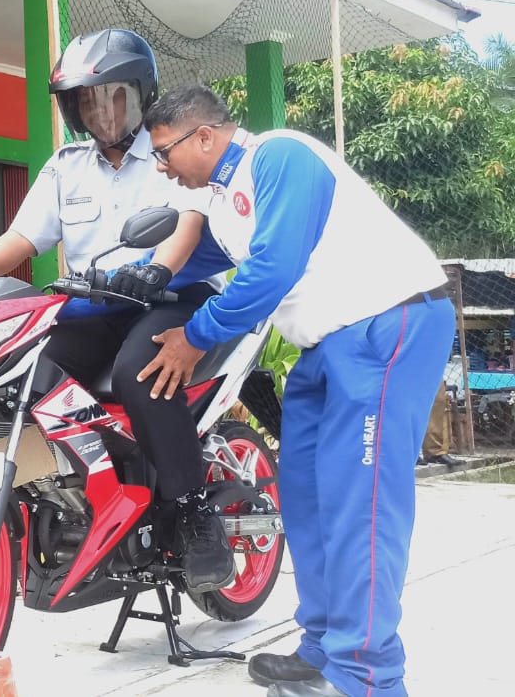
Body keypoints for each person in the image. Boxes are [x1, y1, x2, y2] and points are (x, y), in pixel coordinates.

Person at [139, 85, 455, 697]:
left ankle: (368, 677)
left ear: (203, 136)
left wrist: (195, 336)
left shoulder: (278, 156)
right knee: (305, 497)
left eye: (164, 151)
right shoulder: (223, 205)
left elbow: (273, 269)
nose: (162, 167)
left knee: (360, 505)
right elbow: (177, 262)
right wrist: (112, 279)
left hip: (387, 325)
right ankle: (323, 648)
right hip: (325, 346)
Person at [0, 29, 232, 591]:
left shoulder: (169, 153)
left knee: (139, 374)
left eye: (115, 95)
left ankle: (195, 513)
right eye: (87, 100)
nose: (102, 111)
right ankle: (87, 487)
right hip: (95, 304)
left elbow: (186, 226)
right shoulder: (66, 165)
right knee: (24, 367)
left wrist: (157, 270)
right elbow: (24, 236)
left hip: (173, 295)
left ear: (142, 94)